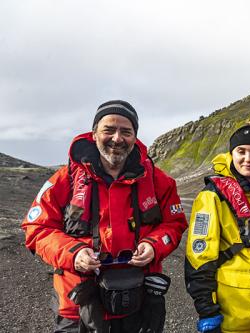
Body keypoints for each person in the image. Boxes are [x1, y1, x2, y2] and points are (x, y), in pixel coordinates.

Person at [22, 100, 188, 332]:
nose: (117, 138)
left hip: (139, 303)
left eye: (126, 131)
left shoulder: (158, 181)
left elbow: (175, 224)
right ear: (94, 134)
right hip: (77, 305)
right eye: (109, 129)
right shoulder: (64, 179)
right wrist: (74, 252)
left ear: (135, 137)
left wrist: (154, 245)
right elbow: (36, 229)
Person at [185, 121, 250, 333]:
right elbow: (199, 258)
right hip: (234, 315)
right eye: (241, 151)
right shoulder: (212, 196)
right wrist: (207, 310)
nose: (248, 158)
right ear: (231, 154)